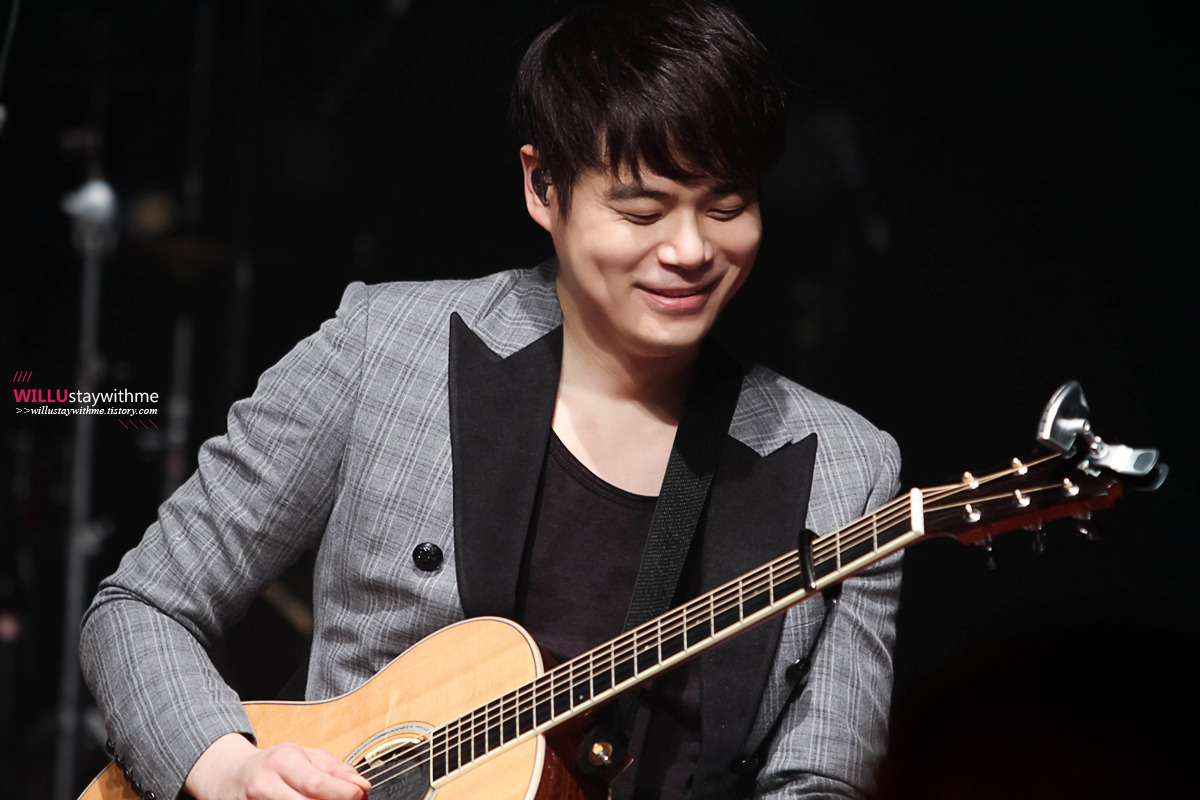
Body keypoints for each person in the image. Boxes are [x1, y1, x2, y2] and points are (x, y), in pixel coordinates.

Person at [80, 2, 902, 798]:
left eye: (726, 206)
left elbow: (820, 782)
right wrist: (229, 769)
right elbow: (143, 606)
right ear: (543, 185)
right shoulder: (383, 349)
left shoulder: (848, 473)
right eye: (642, 208)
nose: (689, 249)